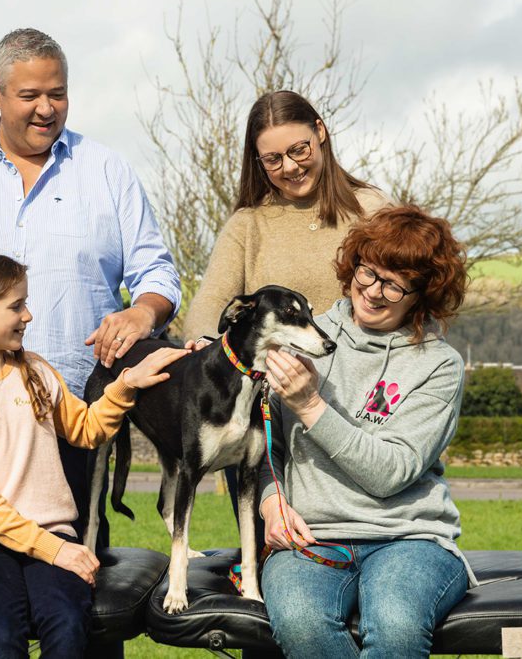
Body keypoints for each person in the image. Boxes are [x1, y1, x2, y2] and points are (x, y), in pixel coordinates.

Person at [0, 27, 180, 509]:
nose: (47, 108)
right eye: (30, 95)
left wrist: (142, 313)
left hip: (74, 419)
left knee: (75, 571)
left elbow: (158, 275)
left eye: (58, 94)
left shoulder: (109, 172)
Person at [0, 250, 187, 658]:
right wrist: (58, 551)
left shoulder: (35, 372)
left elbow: (87, 429)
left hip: (54, 532)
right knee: (2, 634)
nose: (28, 316)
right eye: (16, 306)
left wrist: (128, 384)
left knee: (68, 624)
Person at [258, 204, 477, 659]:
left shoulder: (439, 366)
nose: (374, 292)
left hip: (409, 538)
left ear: (423, 294)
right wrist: (270, 502)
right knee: (300, 620)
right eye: (368, 273)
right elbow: (261, 444)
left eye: (395, 285)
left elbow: (391, 472)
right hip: (311, 535)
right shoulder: (300, 334)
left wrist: (311, 405)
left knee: (395, 625)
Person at [182, 90, 391, 343]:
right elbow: (212, 301)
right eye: (273, 159)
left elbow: (409, 296)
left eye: (299, 150)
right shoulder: (247, 224)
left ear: (320, 131)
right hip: (274, 377)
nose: (290, 166)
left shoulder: (372, 210)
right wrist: (205, 344)